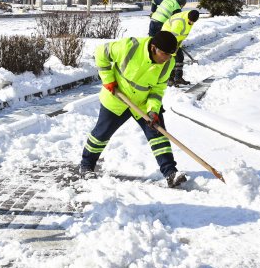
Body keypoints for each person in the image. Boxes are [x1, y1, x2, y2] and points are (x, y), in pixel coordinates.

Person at [79, 31, 188, 188]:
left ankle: (170, 173)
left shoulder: (168, 63)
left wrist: (153, 111)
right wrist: (108, 79)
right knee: (101, 134)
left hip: (142, 103)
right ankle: (86, 165)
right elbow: (100, 52)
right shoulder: (130, 46)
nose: (167, 58)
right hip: (117, 98)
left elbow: (157, 90)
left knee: (158, 134)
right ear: (153, 47)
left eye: (170, 55)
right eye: (164, 54)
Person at [161, 9, 200, 86]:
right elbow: (172, 37)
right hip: (167, 38)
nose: (191, 23)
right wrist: (173, 50)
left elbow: (183, 33)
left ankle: (178, 78)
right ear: (188, 17)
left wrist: (179, 44)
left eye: (193, 22)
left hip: (176, 39)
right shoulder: (179, 22)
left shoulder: (190, 17)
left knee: (180, 58)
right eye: (190, 21)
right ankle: (170, 79)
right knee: (172, 59)